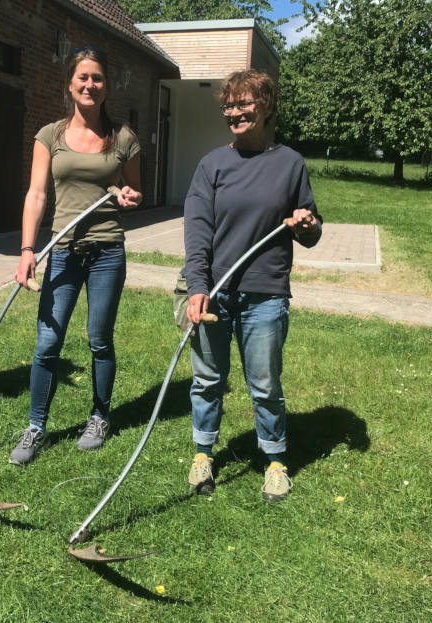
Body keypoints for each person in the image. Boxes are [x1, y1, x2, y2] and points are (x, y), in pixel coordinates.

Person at [182, 70, 322, 501]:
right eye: (229, 105)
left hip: (266, 291)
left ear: (265, 106)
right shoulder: (212, 165)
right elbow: (198, 228)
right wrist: (197, 285)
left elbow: (312, 231)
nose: (235, 112)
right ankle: (203, 453)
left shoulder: (290, 164)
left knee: (264, 383)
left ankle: (275, 460)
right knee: (207, 379)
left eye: (244, 103)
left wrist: (305, 224)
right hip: (216, 291)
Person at [10, 47, 142, 465]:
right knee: (48, 342)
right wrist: (27, 249)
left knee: (99, 339)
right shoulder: (49, 134)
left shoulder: (123, 137)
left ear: (106, 86)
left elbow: (134, 191)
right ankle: (35, 426)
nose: (90, 85)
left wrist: (127, 195)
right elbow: (36, 194)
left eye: (97, 78)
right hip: (63, 252)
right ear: (70, 84)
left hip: (107, 251)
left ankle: (100, 416)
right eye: (83, 77)